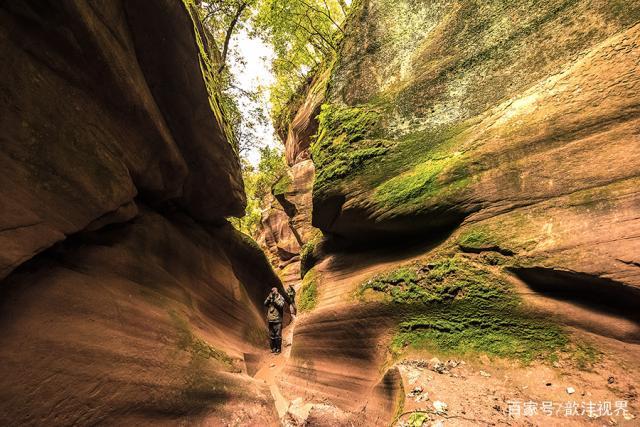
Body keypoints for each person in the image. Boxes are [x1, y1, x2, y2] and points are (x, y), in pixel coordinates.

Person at [264, 287, 285, 354]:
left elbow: (281, 305)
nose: (273, 292)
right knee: (272, 335)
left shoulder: (280, 297)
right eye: (272, 291)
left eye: (274, 291)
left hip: (278, 320)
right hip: (270, 320)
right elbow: (265, 304)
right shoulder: (270, 298)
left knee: (278, 336)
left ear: (277, 291)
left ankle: (278, 349)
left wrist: (275, 299)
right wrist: (269, 298)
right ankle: (273, 348)